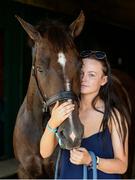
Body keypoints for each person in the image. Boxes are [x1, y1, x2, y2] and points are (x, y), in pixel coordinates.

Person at [40, 50, 130, 179]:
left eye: (91, 75)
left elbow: (122, 165)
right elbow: (44, 152)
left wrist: (91, 160)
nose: (84, 79)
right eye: (81, 73)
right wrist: (53, 122)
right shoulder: (67, 110)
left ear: (103, 80)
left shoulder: (113, 116)